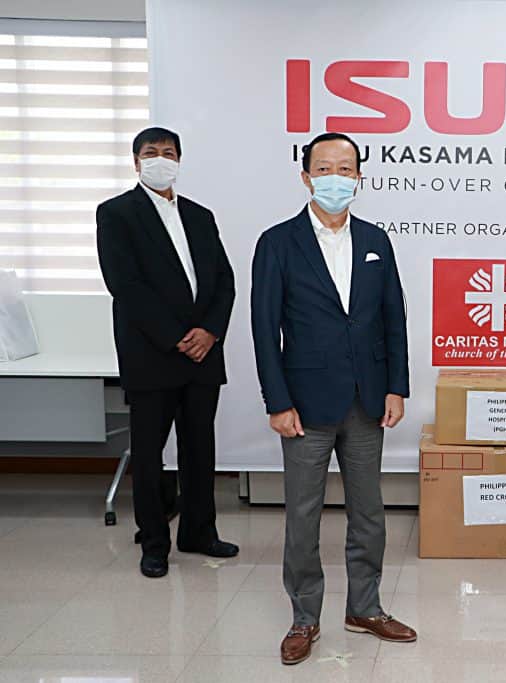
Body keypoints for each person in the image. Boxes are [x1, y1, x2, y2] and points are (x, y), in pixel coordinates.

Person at [251, 132, 415, 666]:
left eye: (346, 169)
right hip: (304, 403)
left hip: (367, 400)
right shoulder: (277, 242)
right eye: (325, 168)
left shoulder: (376, 240)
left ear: (359, 177)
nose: (336, 178)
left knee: (369, 511)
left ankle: (365, 607)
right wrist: (277, 401)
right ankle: (304, 616)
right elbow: (263, 329)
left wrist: (396, 386)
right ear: (306, 177)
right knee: (303, 514)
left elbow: (393, 319)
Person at [96, 126, 238, 579]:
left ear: (179, 160)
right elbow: (126, 286)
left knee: (199, 450)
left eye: (169, 152)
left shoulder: (200, 215)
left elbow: (224, 281)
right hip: (152, 354)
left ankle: (199, 532)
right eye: (151, 152)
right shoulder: (117, 214)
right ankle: (154, 542)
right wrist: (177, 336)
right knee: (149, 454)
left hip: (203, 355)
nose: (161, 159)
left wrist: (209, 332)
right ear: (136, 162)